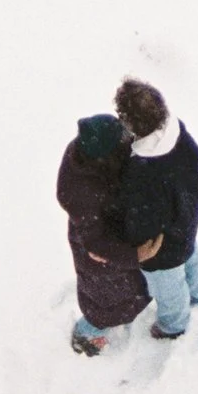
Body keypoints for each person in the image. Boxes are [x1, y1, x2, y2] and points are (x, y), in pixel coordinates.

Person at [106, 78, 198, 339]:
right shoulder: (178, 133)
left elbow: (141, 219)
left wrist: (133, 244)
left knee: (168, 287)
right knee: (192, 259)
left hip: (161, 248)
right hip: (186, 221)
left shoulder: (145, 172)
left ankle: (173, 326)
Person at [56, 114, 149, 356]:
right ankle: (86, 334)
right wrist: (135, 255)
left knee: (124, 293)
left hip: (113, 236)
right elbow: (96, 244)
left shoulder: (92, 152)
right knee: (106, 303)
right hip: (102, 252)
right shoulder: (79, 191)